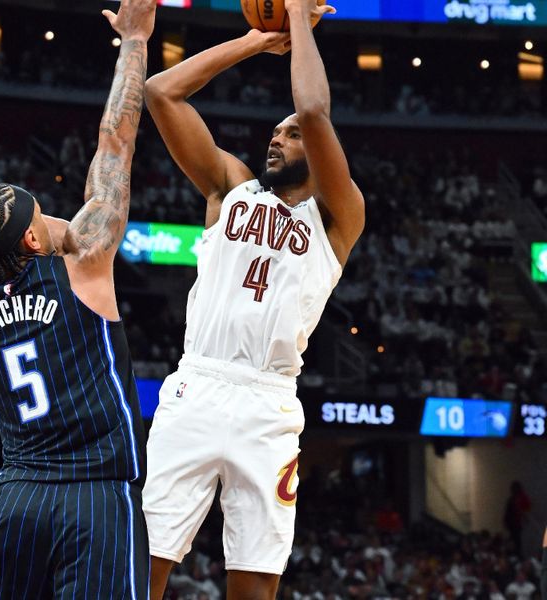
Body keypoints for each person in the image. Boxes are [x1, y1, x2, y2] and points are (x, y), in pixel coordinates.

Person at [0, 1, 156, 597]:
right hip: (98, 494)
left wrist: (5, 234)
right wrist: (135, 38)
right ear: (36, 236)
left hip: (19, 496)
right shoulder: (83, 267)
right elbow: (116, 142)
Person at [141, 0, 364, 597]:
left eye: (290, 135)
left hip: (269, 404)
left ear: (318, 153)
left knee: (256, 579)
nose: (278, 137)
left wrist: (294, 18)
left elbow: (314, 109)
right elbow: (162, 93)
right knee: (144, 560)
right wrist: (252, 41)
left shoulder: (337, 218)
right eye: (274, 131)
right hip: (198, 385)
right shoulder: (230, 189)